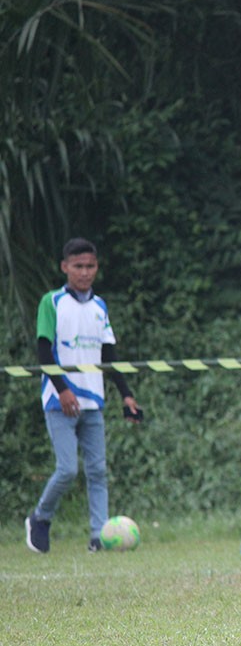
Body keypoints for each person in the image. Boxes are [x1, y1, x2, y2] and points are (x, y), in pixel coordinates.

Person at [26, 237, 141, 554]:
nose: (85, 272)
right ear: (65, 267)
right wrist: (62, 390)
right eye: (78, 266)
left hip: (93, 401)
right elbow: (43, 350)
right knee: (67, 469)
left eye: (90, 266)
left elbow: (109, 356)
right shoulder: (51, 302)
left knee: (97, 471)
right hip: (59, 400)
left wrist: (126, 395)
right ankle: (40, 518)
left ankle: (98, 536)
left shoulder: (99, 306)